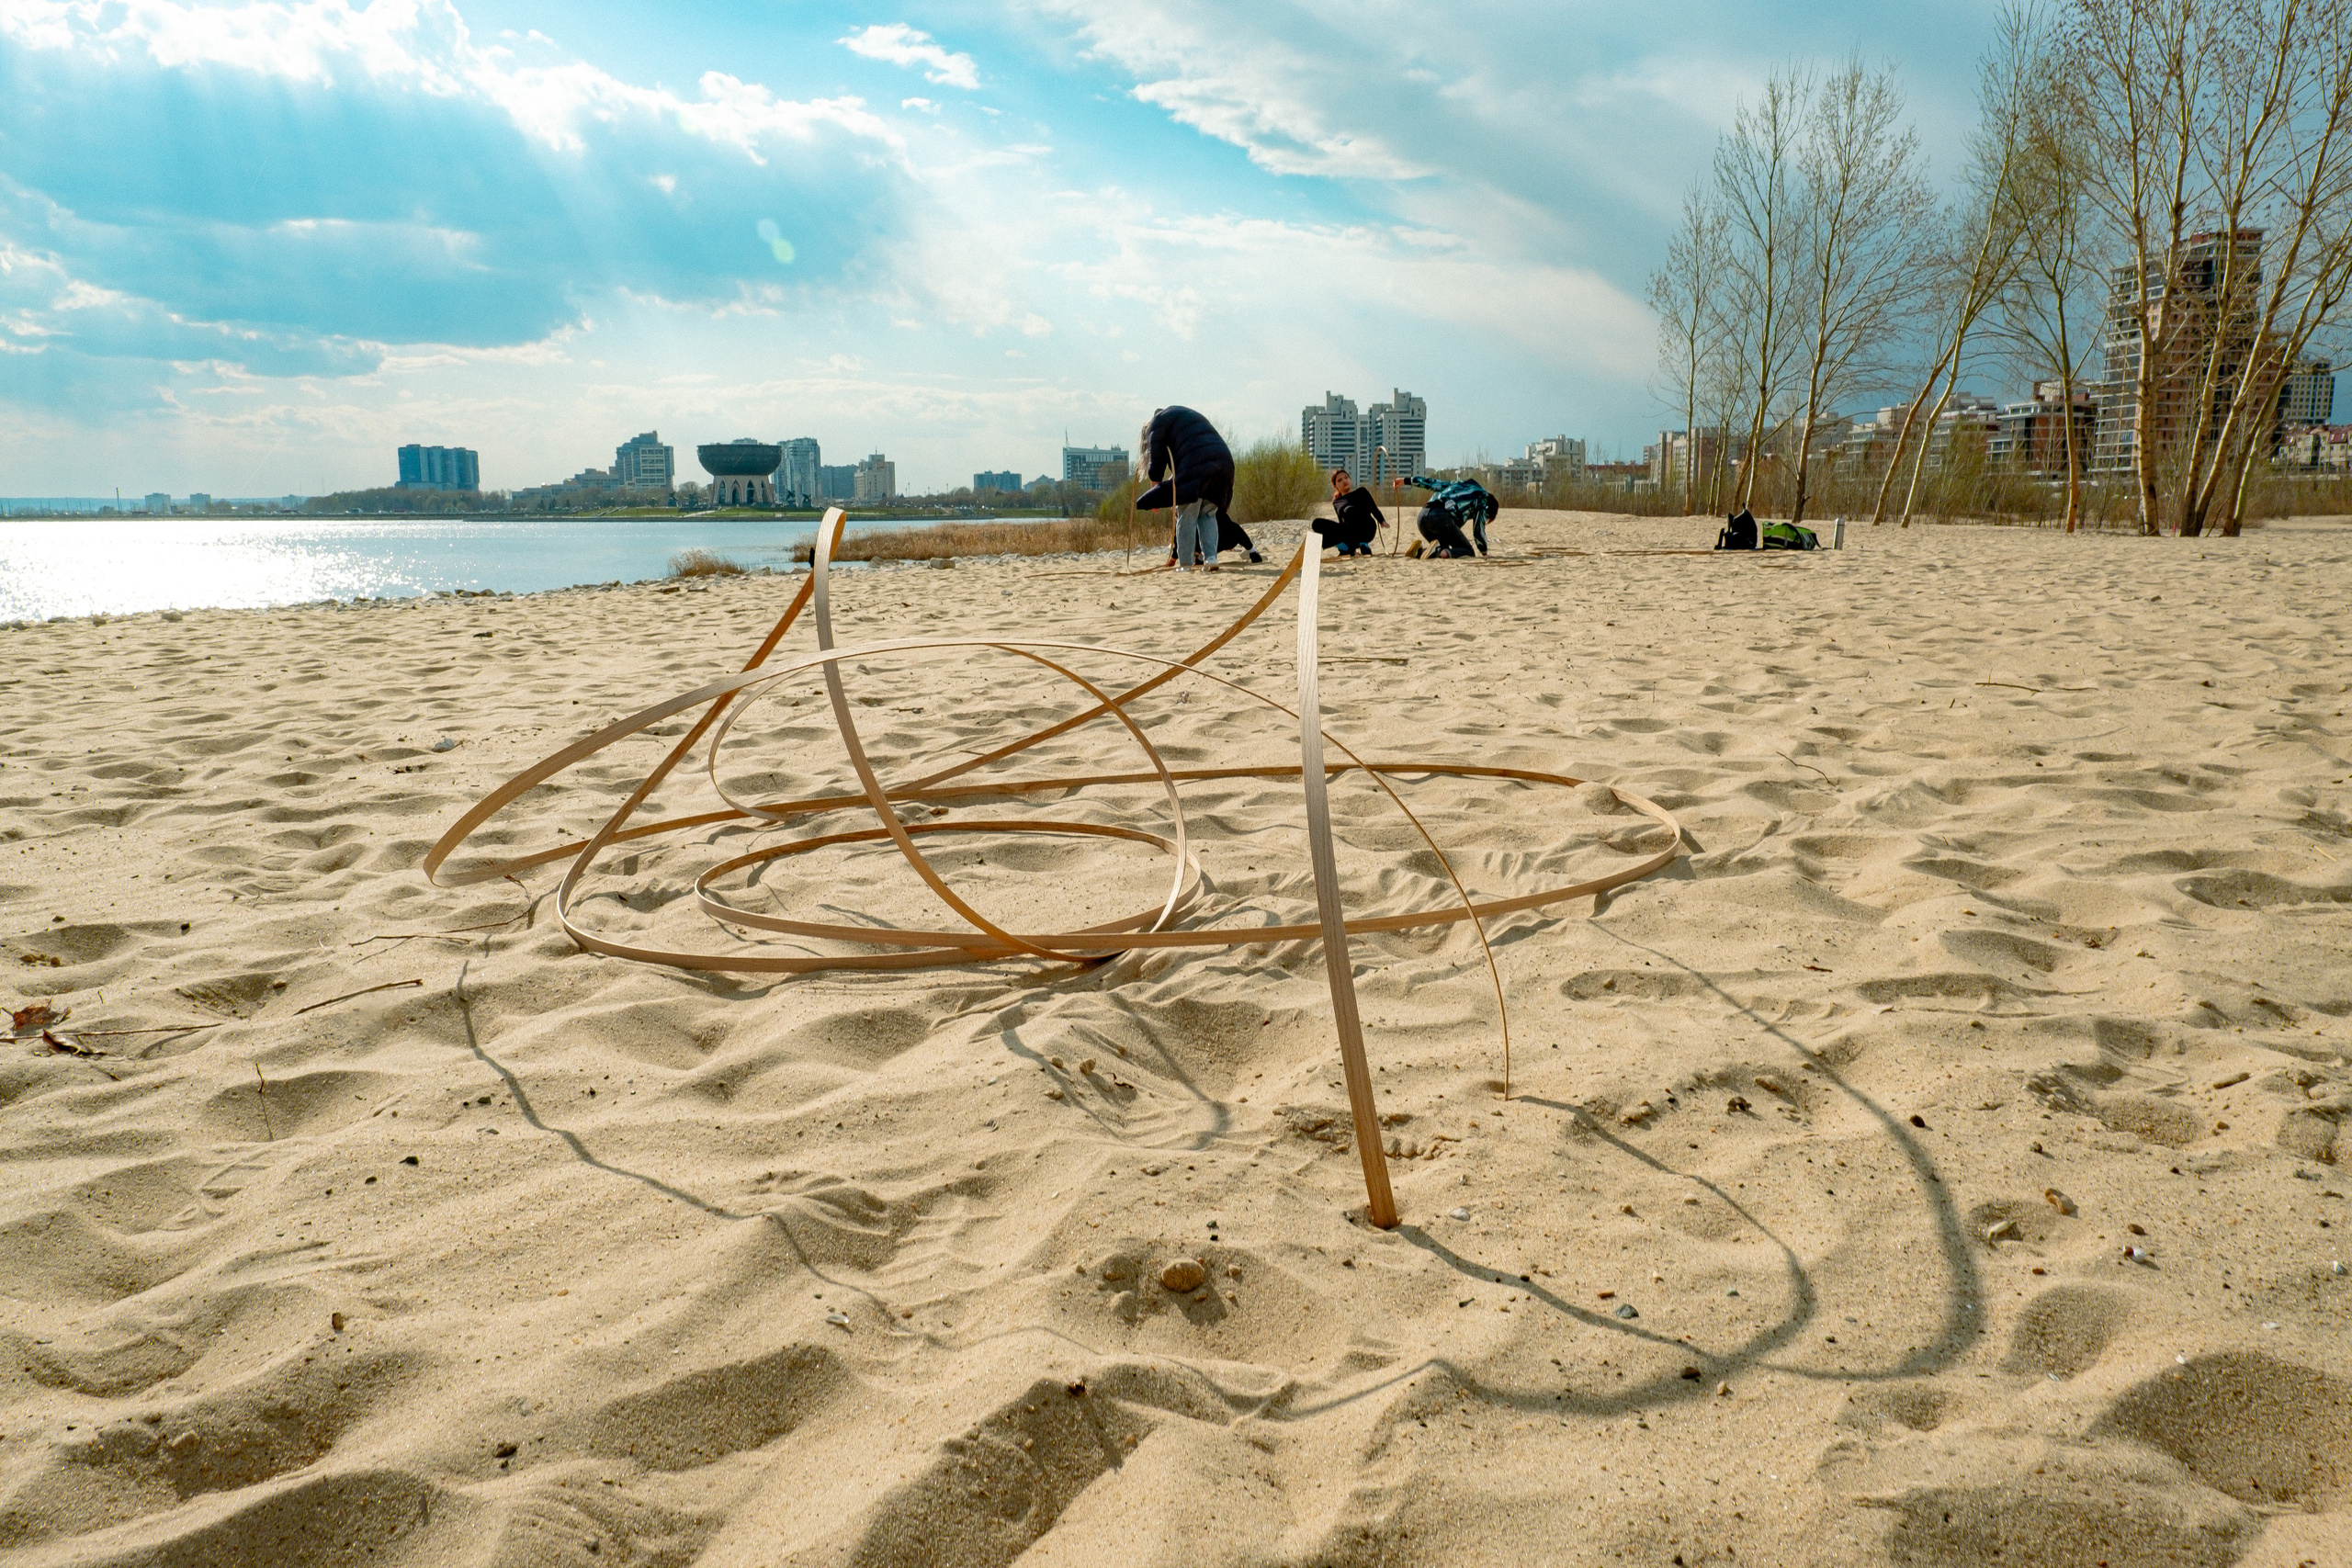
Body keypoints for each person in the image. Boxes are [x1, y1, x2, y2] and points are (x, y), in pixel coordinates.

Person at [1134, 405, 1262, 571]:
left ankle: (1186, 565)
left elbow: (1157, 458)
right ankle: (1210, 558)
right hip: (1223, 465)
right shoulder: (1185, 419)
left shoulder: (1159, 422)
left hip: (1197, 469)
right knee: (1208, 515)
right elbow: (1190, 455)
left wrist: (1155, 488)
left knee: (1187, 517)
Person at [1404, 473, 1498, 558]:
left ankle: (1419, 552)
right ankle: (1437, 551)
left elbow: (1433, 484)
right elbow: (1478, 530)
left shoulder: (1459, 484)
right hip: (1440, 518)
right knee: (1467, 551)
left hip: (1422, 517)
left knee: (1445, 548)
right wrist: (1484, 551)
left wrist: (1407, 480)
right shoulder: (1483, 499)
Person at [1311, 468, 1385, 556]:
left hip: (1367, 530)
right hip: (1350, 534)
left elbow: (1373, 508)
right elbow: (1342, 522)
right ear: (1335, 486)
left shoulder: (1361, 492)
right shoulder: (1336, 502)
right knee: (1316, 523)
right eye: (1340, 480)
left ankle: (1363, 545)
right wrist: (1338, 539)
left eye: (1346, 478)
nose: (1344, 481)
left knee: (1350, 510)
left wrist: (1382, 521)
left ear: (1350, 479)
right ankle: (1345, 548)